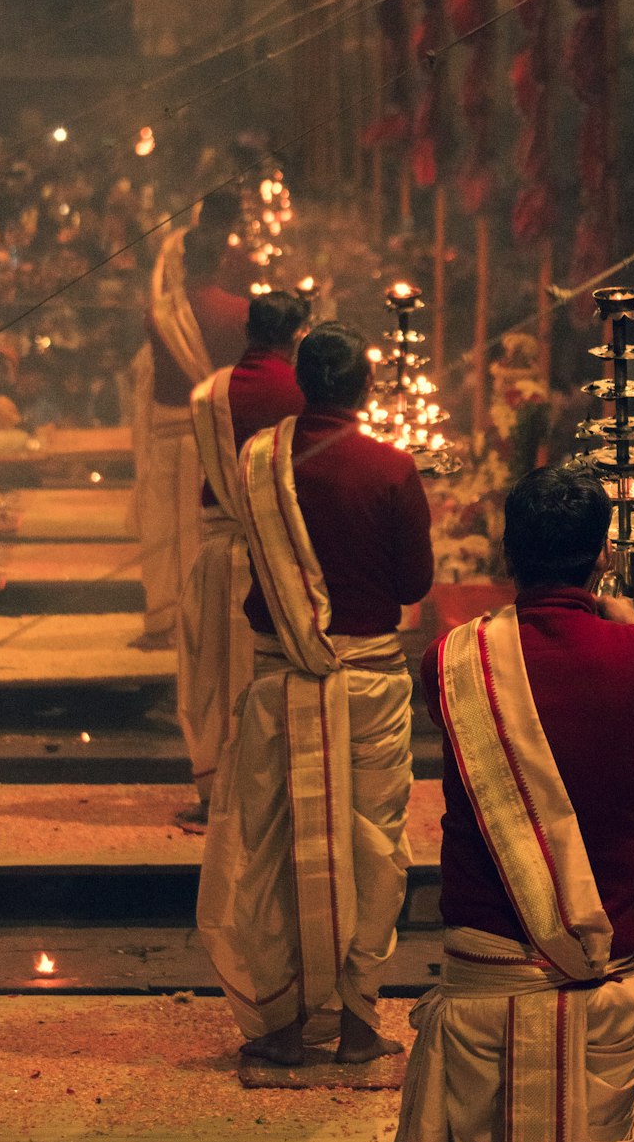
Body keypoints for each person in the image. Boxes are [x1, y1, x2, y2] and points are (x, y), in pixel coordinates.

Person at [396, 466, 634, 1142]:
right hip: (598, 969)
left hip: (482, 972)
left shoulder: (452, 659)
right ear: (604, 553)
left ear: (506, 552)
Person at [197, 322, 434, 1066]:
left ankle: (279, 1023)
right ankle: (360, 1019)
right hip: (369, 686)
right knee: (373, 847)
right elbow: (413, 586)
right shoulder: (393, 470)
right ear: (365, 389)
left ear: (302, 384)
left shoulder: (256, 465)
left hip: (280, 679)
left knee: (269, 851)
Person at [174, 289, 311, 832]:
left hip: (217, 549)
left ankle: (214, 794)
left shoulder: (207, 393)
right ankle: (263, 793)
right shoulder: (303, 392)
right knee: (265, 671)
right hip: (278, 553)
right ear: (293, 336)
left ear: (248, 332)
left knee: (209, 669)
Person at [129, 189, 249, 651]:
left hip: (167, 433)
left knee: (168, 529)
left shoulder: (158, 314)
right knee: (209, 532)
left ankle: (164, 621)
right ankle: (212, 622)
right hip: (215, 437)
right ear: (221, 260)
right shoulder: (240, 314)